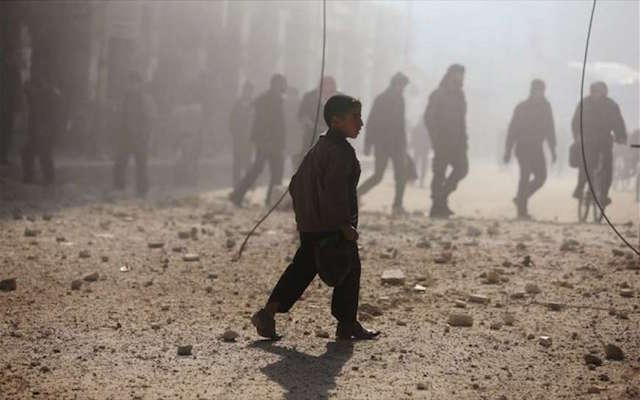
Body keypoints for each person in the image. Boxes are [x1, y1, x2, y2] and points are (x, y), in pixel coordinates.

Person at [251, 94, 379, 341]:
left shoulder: (319, 148)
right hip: (331, 226)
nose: (361, 123)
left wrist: (307, 217)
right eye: (355, 117)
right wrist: (344, 224)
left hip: (312, 225)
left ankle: (268, 314)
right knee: (350, 268)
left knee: (301, 270)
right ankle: (347, 323)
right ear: (336, 121)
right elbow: (335, 192)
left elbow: (295, 185)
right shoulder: (339, 153)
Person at [230, 74, 287, 207]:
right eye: (282, 84)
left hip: (272, 141)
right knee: (265, 170)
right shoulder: (267, 99)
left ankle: (265, 199)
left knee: (272, 171)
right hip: (267, 141)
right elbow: (264, 122)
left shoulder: (273, 99)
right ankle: (241, 196)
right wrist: (267, 140)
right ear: (275, 84)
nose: (284, 86)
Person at [503, 79, 557, 219]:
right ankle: (522, 210)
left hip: (537, 148)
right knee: (525, 176)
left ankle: (520, 198)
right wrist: (508, 150)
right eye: (536, 90)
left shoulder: (546, 108)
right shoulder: (522, 107)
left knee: (541, 177)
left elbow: (550, 129)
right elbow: (512, 130)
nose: (539, 93)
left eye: (541, 90)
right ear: (532, 91)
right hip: (523, 147)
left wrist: (553, 149)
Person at [358, 72, 410, 215]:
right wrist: (368, 144)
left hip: (396, 144)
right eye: (401, 85)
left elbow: (401, 124)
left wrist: (404, 143)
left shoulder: (400, 100)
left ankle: (397, 205)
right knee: (379, 175)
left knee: (401, 174)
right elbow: (371, 121)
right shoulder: (381, 99)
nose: (402, 88)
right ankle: (356, 194)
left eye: (403, 86)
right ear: (395, 84)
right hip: (382, 144)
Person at [571, 81, 627, 206]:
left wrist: (621, 137)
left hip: (605, 141)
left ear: (604, 93)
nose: (595, 94)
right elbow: (575, 121)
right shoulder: (584, 103)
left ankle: (604, 195)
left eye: (597, 91)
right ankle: (580, 188)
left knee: (607, 169)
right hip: (588, 140)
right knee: (586, 165)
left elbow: (618, 122)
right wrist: (577, 135)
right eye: (593, 91)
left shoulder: (611, 105)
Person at [424, 64, 468, 218]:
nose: (460, 77)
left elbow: (462, 121)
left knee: (462, 169)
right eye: (458, 74)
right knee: (439, 174)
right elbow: (429, 118)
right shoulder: (438, 94)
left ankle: (441, 199)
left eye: (462, 75)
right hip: (442, 142)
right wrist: (436, 139)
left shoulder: (460, 95)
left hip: (457, 143)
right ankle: (437, 206)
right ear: (450, 75)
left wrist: (464, 141)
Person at [113, 72, 155, 197]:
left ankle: (142, 190)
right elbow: (120, 116)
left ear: (139, 84)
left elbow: (150, 118)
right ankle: (119, 188)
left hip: (140, 136)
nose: (131, 85)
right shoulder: (125, 98)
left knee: (141, 164)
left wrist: (146, 135)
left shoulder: (146, 99)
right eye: (129, 82)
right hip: (126, 135)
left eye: (134, 82)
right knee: (120, 162)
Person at [21, 75, 59, 185]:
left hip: (43, 128)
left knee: (43, 153)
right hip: (38, 128)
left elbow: (48, 114)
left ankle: (46, 178)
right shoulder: (40, 95)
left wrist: (46, 128)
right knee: (30, 152)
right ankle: (35, 177)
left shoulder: (46, 96)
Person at [297, 76, 337, 162]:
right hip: (312, 134)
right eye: (325, 84)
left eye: (330, 84)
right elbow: (301, 114)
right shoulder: (309, 97)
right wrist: (308, 123)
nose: (328, 87)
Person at [229, 82, 254, 186]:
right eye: (247, 90)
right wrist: (234, 133)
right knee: (238, 160)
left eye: (250, 91)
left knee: (248, 160)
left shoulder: (253, 104)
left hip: (249, 137)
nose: (248, 93)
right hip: (239, 137)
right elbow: (232, 120)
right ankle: (236, 182)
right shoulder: (237, 104)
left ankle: (249, 182)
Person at [411, 120, 431, 188]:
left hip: (419, 148)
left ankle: (414, 180)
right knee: (423, 166)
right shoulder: (428, 128)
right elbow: (430, 139)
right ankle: (421, 181)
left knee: (415, 164)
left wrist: (411, 145)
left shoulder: (417, 127)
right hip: (424, 149)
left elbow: (413, 137)